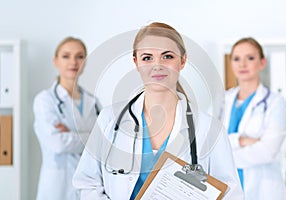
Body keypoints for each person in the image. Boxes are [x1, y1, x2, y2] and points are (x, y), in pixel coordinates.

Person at [72, 22, 243, 199]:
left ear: (182, 61)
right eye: (147, 58)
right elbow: (87, 183)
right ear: (136, 62)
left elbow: (231, 195)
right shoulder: (110, 119)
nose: (157, 65)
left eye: (167, 56)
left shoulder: (209, 129)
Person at [33, 37, 101, 200]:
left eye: (79, 56)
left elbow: (105, 144)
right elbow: (58, 144)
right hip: (58, 187)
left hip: (89, 185)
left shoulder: (94, 102)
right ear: (55, 61)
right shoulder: (45, 100)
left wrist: (71, 134)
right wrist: (92, 136)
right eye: (66, 56)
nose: (73, 62)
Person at [224, 37, 286, 199]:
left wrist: (225, 157)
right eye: (237, 59)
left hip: (263, 190)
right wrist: (241, 140)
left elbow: (267, 151)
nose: (242, 64)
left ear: (262, 62)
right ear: (231, 63)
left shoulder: (274, 102)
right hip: (228, 189)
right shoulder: (222, 101)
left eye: (250, 58)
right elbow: (209, 144)